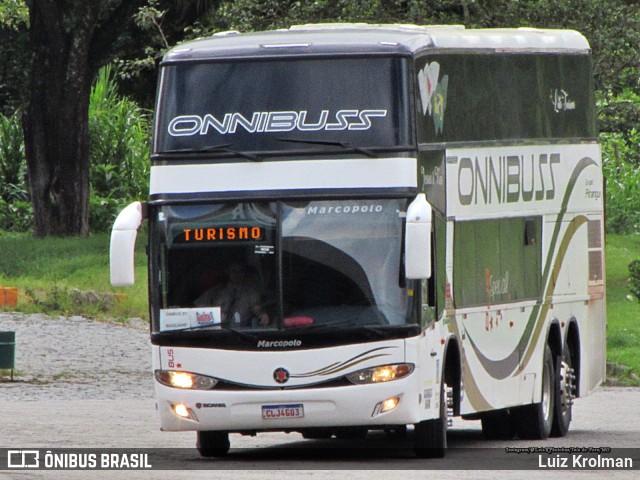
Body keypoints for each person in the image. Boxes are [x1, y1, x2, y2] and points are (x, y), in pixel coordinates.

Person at [194, 262, 270, 327]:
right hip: (216, 332)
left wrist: (262, 315)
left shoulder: (250, 293)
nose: (237, 274)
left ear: (244, 273)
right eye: (234, 271)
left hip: (241, 332)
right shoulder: (215, 291)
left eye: (240, 271)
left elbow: (257, 307)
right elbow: (198, 307)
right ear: (228, 272)